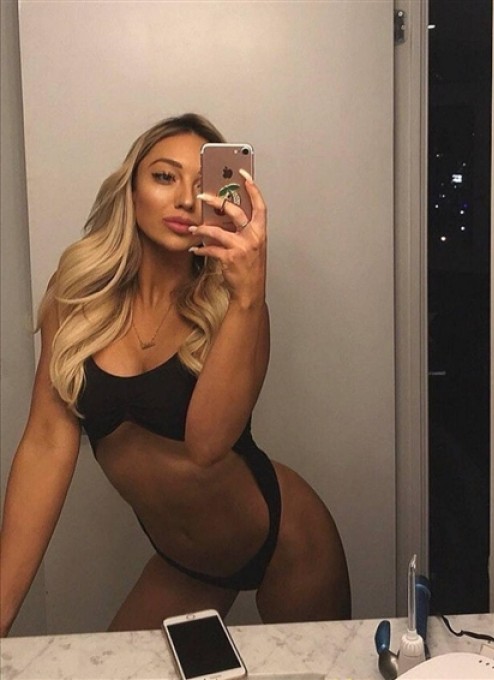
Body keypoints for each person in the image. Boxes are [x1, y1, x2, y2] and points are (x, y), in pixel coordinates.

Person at [0, 113, 351, 635]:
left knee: (316, 671)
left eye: (203, 185)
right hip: (186, 563)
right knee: (118, 669)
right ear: (130, 189)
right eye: (164, 176)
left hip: (285, 539)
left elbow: (207, 445)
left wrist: (248, 294)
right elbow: (47, 443)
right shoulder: (74, 298)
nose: (186, 199)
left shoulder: (235, 306)